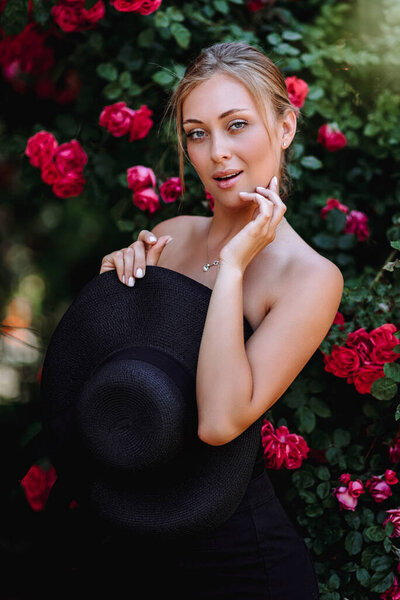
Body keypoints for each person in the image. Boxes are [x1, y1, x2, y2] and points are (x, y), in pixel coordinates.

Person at [98, 41, 343, 599]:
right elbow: (106, 380)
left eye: (237, 125)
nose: (217, 153)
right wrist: (111, 286)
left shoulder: (310, 278)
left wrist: (233, 268)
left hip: (240, 565)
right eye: (197, 133)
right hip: (129, 546)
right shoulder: (171, 235)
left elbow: (220, 422)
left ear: (285, 127)